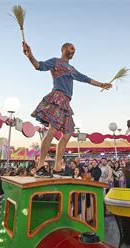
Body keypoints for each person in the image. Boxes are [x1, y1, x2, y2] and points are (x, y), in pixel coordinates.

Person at [22, 41, 112, 177]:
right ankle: (40, 166)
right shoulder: (56, 61)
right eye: (71, 48)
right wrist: (29, 55)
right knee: (51, 131)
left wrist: (102, 85)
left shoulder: (72, 69)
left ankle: (58, 167)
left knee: (67, 134)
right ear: (63, 49)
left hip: (66, 102)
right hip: (58, 97)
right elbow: (39, 66)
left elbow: (85, 79)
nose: (73, 51)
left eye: (74, 50)